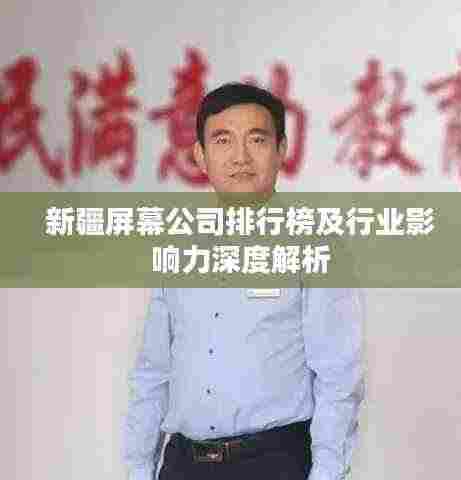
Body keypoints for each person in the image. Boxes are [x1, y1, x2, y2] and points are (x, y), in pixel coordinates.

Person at [122, 82, 365, 480]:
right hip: (182, 464)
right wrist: (138, 469)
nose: (240, 157)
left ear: (281, 150)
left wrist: (326, 474)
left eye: (257, 139)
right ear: (200, 155)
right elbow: (153, 372)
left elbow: (339, 378)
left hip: (273, 463)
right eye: (222, 140)